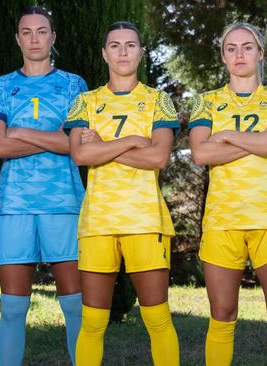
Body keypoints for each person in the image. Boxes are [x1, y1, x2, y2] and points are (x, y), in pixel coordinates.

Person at [188, 22, 267, 366]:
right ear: (223, 56)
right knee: (222, 314)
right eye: (231, 48)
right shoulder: (206, 101)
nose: (240, 54)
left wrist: (225, 135)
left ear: (261, 53)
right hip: (222, 220)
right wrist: (259, 139)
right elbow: (201, 154)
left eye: (247, 47)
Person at [65, 21, 179, 366]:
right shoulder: (84, 102)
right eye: (115, 45)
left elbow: (158, 157)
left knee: (157, 318)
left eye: (131, 45)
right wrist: (131, 140)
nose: (123, 52)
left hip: (145, 220)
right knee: (93, 322)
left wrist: (105, 145)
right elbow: (82, 155)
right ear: (104, 53)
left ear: (142, 53)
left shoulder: (160, 101)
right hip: (98, 222)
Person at [0, 6, 87, 365]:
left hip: (65, 203)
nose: (34, 38)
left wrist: (20, 131)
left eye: (42, 31)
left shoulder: (74, 85)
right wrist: (55, 138)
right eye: (27, 32)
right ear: (17, 39)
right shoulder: (1, 87)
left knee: (75, 306)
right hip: (14, 205)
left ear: (53, 37)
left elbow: (78, 146)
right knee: (11, 307)